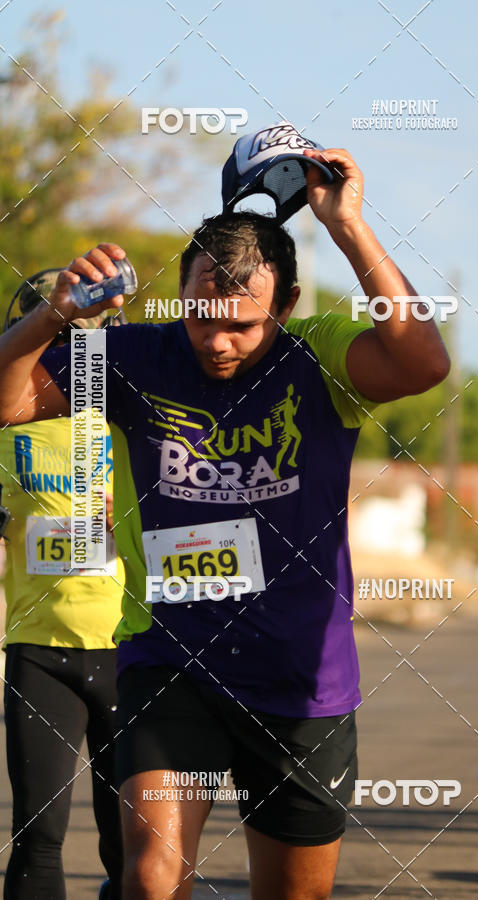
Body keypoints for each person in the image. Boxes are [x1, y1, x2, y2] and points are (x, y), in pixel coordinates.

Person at [0, 146, 450, 899]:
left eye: (242, 326)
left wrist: (349, 228)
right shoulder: (136, 357)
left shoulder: (321, 360)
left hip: (301, 684)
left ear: (289, 304)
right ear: (181, 293)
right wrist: (53, 317)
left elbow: (423, 365)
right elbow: (9, 404)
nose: (216, 341)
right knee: (150, 877)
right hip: (172, 666)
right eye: (201, 318)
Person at [0, 271, 124, 899]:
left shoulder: (135, 424)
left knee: (131, 847)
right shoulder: (6, 427)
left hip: (133, 654)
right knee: (38, 840)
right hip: (40, 653)